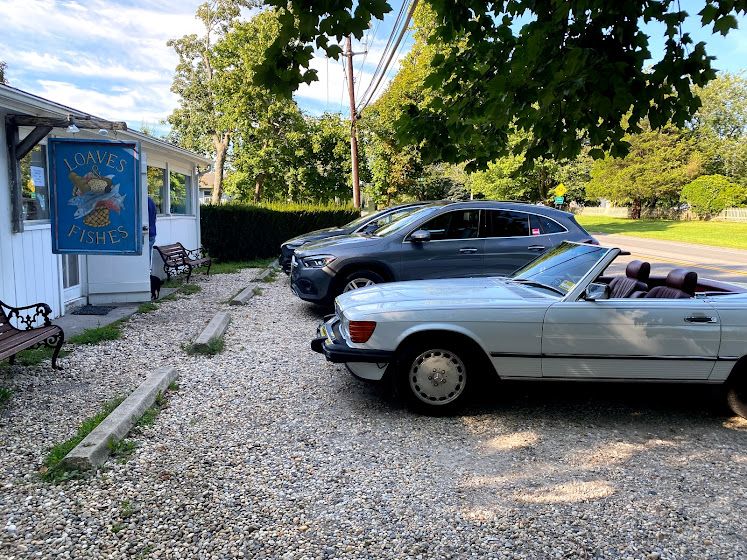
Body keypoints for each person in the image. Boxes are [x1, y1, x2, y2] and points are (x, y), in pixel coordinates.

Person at [148, 196, 157, 267]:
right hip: (152, 231)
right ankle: (148, 272)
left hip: (145, 233)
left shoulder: (142, 203)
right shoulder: (151, 201)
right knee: (148, 255)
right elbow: (155, 218)